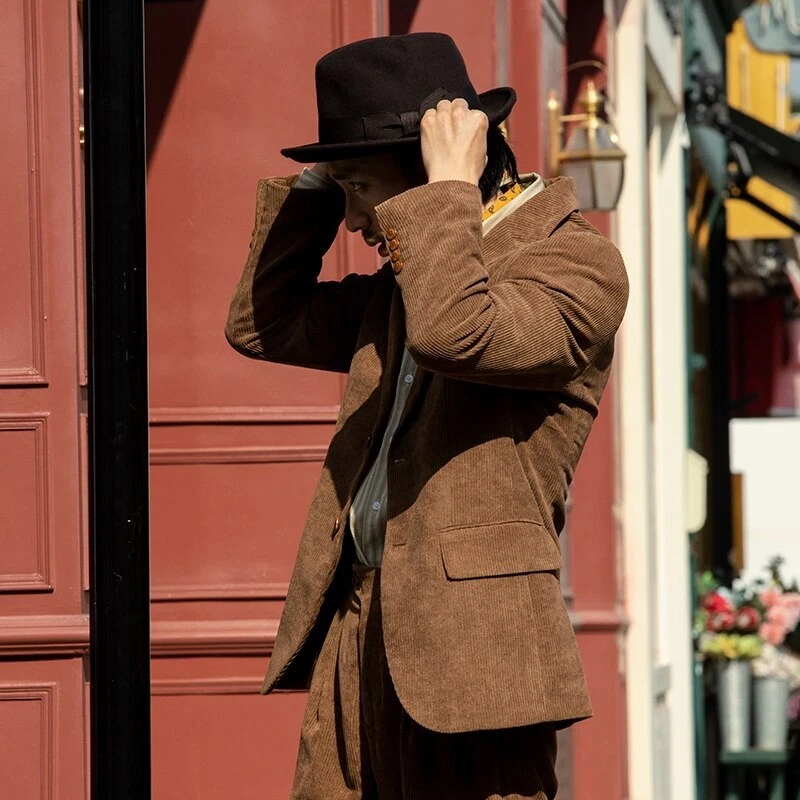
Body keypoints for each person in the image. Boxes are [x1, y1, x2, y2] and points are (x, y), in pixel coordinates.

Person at [225, 31, 628, 800]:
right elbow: (262, 324)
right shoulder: (401, 285)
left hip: (474, 656)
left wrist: (446, 189)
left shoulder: (577, 263)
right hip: (357, 626)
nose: (351, 222)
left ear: (437, 173)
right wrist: (321, 181)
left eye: (360, 188)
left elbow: (457, 333)